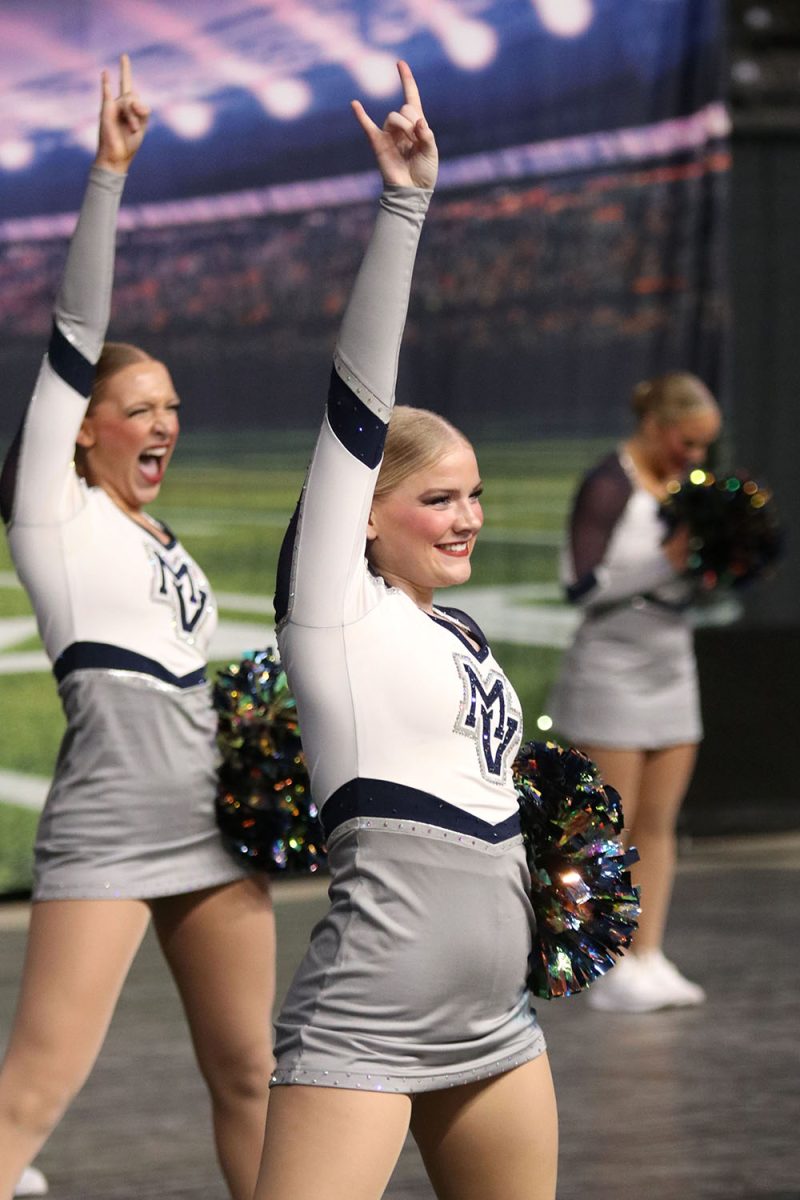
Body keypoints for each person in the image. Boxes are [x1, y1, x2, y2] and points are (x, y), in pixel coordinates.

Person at [253, 63, 558, 1200]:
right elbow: (354, 397)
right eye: (437, 498)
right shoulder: (331, 611)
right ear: (364, 517)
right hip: (370, 1019)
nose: (466, 516)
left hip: (497, 1024)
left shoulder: (466, 636)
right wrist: (404, 204)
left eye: (473, 495)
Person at [0, 58, 274, 1200]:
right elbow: (76, 323)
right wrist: (109, 174)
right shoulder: (52, 514)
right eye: (138, 407)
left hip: (208, 824)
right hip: (111, 825)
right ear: (81, 430)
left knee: (254, 1073)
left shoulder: (163, 542)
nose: (164, 421)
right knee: (36, 1087)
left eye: (171, 406)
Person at [548, 371, 721, 1013]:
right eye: (688, 443)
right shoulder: (608, 483)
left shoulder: (690, 490)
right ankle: (608, 961)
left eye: (705, 447)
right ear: (656, 426)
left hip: (672, 663)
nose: (695, 458)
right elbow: (580, 584)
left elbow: (691, 581)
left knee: (659, 824)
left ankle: (649, 954)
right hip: (611, 668)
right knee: (609, 828)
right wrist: (665, 563)